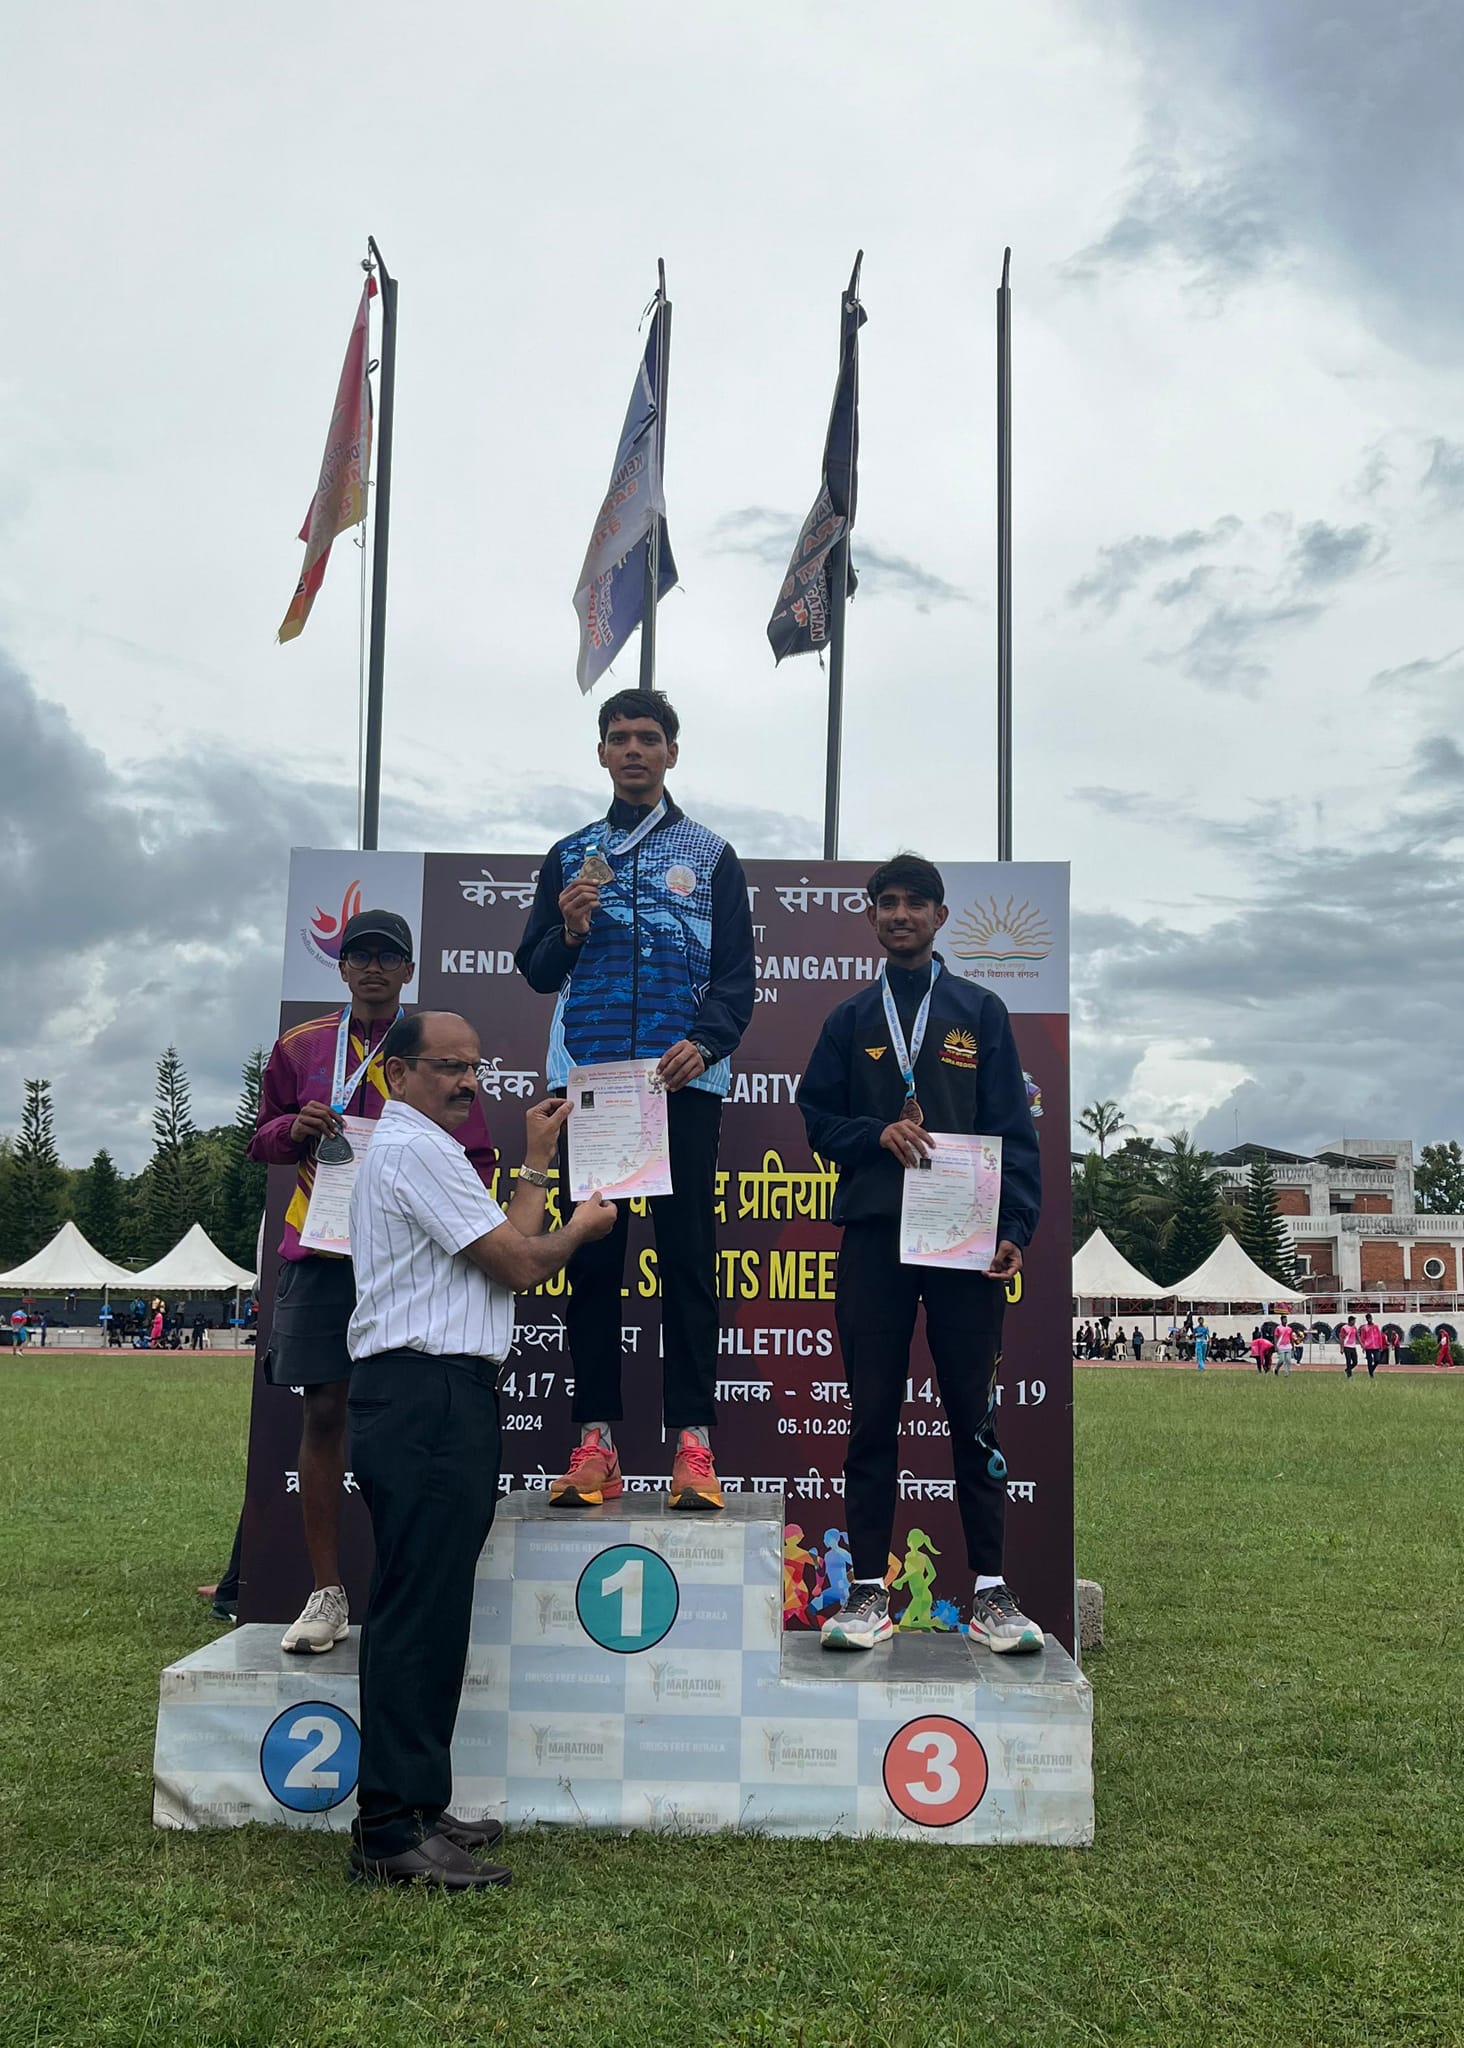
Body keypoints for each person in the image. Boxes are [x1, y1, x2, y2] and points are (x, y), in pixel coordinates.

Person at [345, 1010, 617, 1890]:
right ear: (397, 1070)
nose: (468, 1083)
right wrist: (580, 1228)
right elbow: (522, 1265)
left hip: (444, 1396)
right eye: (447, 1067)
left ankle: (419, 1805)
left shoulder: (424, 1148)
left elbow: (496, 1244)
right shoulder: (416, 1148)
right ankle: (387, 1830)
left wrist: (535, 1159)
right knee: (416, 1610)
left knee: (432, 1604)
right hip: (423, 1396)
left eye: (475, 1067)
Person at [796, 853, 1044, 1655]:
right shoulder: (850, 1020)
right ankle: (867, 1590)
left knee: (974, 1418)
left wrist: (1017, 1226)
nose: (899, 915)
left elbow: (1015, 1127)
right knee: (871, 1414)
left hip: (966, 1240)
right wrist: (876, 1133)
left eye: (915, 904)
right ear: (871, 917)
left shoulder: (981, 1010)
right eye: (886, 903)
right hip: (875, 1237)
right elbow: (815, 1122)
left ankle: (992, 1595)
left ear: (940, 917)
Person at [514, 688, 755, 1512]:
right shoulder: (571, 855)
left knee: (688, 1260)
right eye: (619, 738)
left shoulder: (712, 854)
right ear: (602, 754)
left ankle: (694, 1443)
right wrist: (571, 930)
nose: (634, 751)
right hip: (595, 1087)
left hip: (678, 1085)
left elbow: (735, 979)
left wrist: (710, 1040)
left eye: (649, 738)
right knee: (592, 1260)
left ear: (672, 753)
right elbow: (537, 968)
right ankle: (597, 1442)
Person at [247, 908, 498, 1655]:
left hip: (409, 1259)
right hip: (323, 1250)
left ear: (409, 970)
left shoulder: (433, 1051)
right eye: (361, 956)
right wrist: (295, 1130)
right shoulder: (303, 1047)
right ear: (343, 967)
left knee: (403, 1418)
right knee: (325, 1410)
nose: (374, 968)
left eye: (389, 957)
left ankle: (404, 1584)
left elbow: (478, 1153)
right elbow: (260, 1136)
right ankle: (326, 1594)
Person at [1360, 1314, 1386, 1378]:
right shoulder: (1364, 1328)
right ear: (1366, 1319)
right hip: (1368, 1346)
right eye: (1368, 1319)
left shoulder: (1376, 1326)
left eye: (1370, 1318)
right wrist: (1363, 1346)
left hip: (1376, 1346)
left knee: (1377, 1360)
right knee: (1369, 1360)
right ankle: (1371, 1374)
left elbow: (1379, 1336)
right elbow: (1362, 1338)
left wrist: (1380, 1345)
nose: (1370, 1320)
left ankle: (1372, 1369)